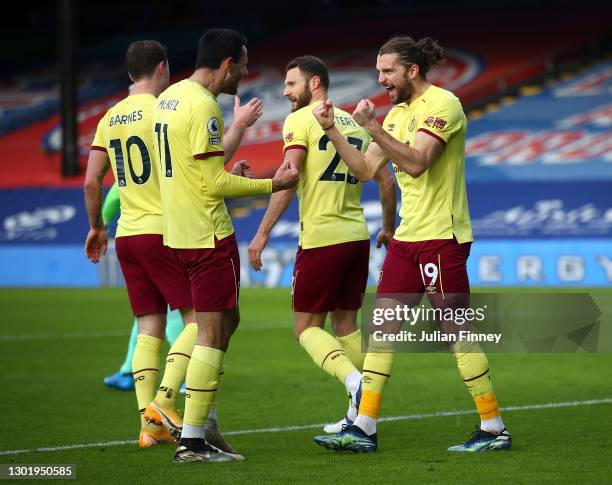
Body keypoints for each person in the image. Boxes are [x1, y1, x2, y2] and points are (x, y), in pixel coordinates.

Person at [311, 36, 511, 453]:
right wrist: (332, 128)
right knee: (382, 330)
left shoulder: (443, 104)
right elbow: (366, 169)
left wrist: (372, 128)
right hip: (407, 239)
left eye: (387, 71)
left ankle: (493, 428)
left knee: (456, 331)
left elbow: (418, 163)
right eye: (379, 71)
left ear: (412, 71)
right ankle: (364, 427)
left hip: (442, 237)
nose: (380, 79)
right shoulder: (398, 113)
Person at [146, 28, 298, 463]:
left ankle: (204, 419)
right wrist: (273, 182)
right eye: (245, 63)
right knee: (213, 332)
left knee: (226, 320)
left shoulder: (169, 99)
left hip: (177, 232)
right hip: (207, 235)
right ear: (228, 63)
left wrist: (228, 166)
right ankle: (194, 439)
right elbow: (213, 183)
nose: (247, 72)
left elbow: (191, 170)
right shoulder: (204, 106)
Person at [248, 55, 396, 434]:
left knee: (306, 327)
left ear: (315, 83)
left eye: (291, 83)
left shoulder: (301, 120)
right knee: (345, 323)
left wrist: (262, 233)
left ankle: (356, 383)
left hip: (321, 239)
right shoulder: (355, 125)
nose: (285, 92)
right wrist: (388, 228)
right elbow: (386, 183)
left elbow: (290, 176)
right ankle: (363, 411)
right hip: (355, 237)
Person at [84, 40, 200, 449]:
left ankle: (147, 427)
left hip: (127, 235)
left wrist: (97, 226)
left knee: (149, 327)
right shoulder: (167, 110)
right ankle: (166, 402)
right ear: (164, 68)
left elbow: (91, 181)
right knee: (201, 321)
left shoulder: (109, 117)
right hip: (164, 232)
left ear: (130, 72)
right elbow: (194, 167)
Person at [100, 183, 186, 393]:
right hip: (170, 235)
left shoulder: (129, 159)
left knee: (149, 311)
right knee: (172, 310)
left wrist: (100, 224)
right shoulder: (168, 156)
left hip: (132, 237)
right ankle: (186, 373)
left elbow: (112, 195)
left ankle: (130, 372)